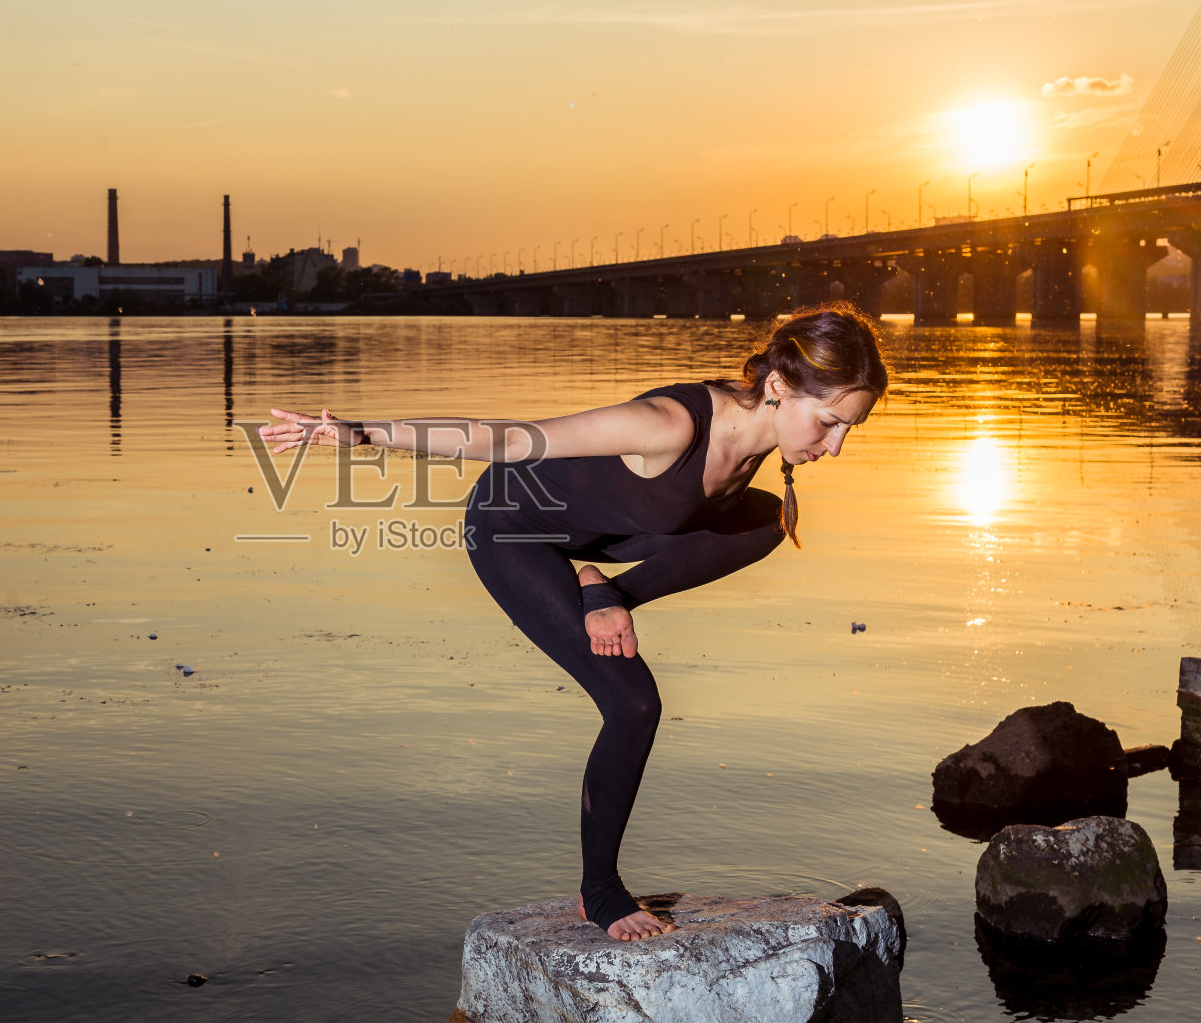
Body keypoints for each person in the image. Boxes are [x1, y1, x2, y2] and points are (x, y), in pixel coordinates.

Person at [259, 303, 889, 942]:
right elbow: (510, 440)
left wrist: (610, 587)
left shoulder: (762, 436)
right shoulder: (668, 424)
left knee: (766, 518)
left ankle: (607, 590)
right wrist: (364, 434)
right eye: (830, 422)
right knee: (633, 703)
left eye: (848, 430)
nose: (834, 446)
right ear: (779, 388)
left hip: (609, 538)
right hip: (514, 530)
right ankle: (600, 891)